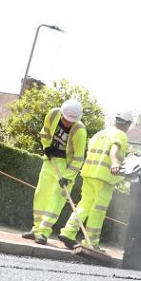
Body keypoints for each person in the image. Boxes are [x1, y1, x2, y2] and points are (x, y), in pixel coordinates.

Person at [58, 112, 133, 250]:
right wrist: (115, 163)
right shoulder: (120, 135)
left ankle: (68, 232)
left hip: (89, 173)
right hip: (103, 178)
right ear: (127, 124)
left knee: (84, 205)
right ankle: (91, 242)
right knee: (98, 210)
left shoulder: (100, 133)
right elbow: (114, 149)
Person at [22, 99, 87, 245]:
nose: (67, 122)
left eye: (71, 121)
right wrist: (46, 147)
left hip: (65, 166)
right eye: (65, 118)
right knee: (41, 194)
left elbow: (78, 159)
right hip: (50, 161)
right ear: (62, 113)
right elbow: (45, 133)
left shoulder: (80, 131)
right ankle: (36, 229)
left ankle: (43, 233)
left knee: (55, 200)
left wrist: (67, 177)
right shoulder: (53, 114)